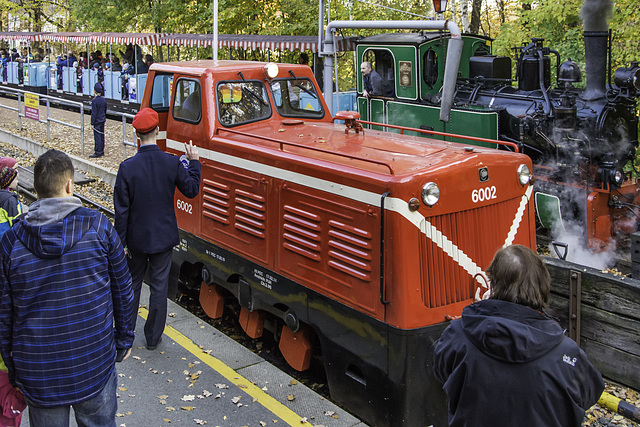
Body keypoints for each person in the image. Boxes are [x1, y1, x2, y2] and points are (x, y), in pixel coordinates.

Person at [0, 149, 135, 427]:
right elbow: (123, 290)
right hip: (94, 362)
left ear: (35, 189)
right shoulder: (98, 228)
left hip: (38, 372)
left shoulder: (11, 243)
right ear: (70, 185)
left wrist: (13, 367)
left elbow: (4, 313)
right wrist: (123, 340)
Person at [433, 244, 605, 427]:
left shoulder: (458, 334)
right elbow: (589, 394)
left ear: (492, 284)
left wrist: (482, 313)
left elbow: (442, 372)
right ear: (543, 285)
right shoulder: (567, 353)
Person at [114, 108, 200, 350]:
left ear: (136, 136)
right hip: (163, 238)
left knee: (132, 284)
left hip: (136, 239)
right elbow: (192, 189)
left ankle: (125, 333)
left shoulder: (127, 168)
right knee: (160, 288)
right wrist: (194, 162)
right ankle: (153, 338)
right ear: (157, 131)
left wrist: (120, 243)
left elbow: (121, 212)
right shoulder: (171, 163)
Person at [90, 82, 107, 158]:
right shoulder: (103, 100)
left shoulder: (94, 101)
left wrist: (92, 123)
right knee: (101, 135)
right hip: (102, 119)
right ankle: (102, 150)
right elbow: (105, 110)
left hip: (97, 121)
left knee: (97, 136)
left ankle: (97, 151)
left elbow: (94, 113)